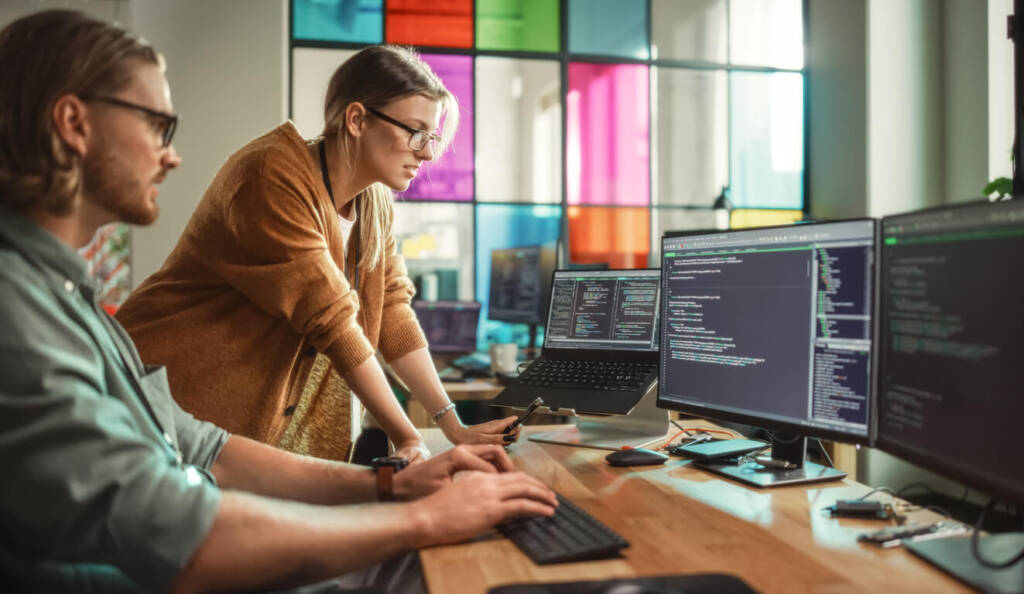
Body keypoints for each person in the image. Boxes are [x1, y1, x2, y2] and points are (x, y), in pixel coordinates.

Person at [0, 10, 556, 593]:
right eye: (158, 126)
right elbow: (333, 321)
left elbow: (200, 445)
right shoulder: (23, 310)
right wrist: (415, 489)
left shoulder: (66, 296)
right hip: (195, 459)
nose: (172, 156)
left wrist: (404, 476)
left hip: (199, 475)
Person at [115, 44, 513, 463]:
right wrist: (408, 436)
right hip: (164, 401)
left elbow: (392, 309)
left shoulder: (373, 202)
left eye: (431, 138)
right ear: (357, 119)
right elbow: (333, 320)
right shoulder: (272, 175)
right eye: (415, 133)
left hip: (247, 438)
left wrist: (452, 425)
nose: (428, 153)